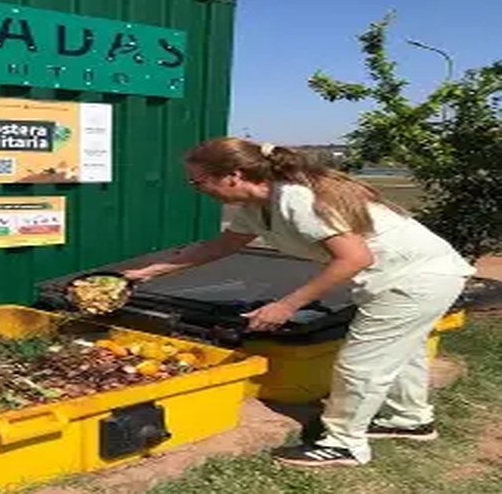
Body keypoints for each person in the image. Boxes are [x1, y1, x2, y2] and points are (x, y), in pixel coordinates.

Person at [122, 137, 475, 467]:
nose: (197, 189)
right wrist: (151, 271)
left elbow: (354, 258)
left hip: (417, 278)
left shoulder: (297, 200)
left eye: (197, 182)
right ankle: (409, 421)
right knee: (401, 351)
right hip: (407, 275)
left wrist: (286, 305)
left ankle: (343, 443)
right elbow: (221, 246)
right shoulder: (257, 204)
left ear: (233, 175)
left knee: (361, 364)